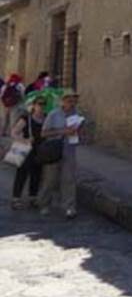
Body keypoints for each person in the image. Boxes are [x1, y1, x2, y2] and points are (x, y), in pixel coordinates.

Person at [37, 91, 82, 219]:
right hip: (54, 151)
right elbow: (44, 133)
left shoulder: (77, 114)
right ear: (63, 101)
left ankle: (69, 207)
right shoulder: (53, 114)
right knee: (50, 179)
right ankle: (44, 204)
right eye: (69, 101)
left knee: (69, 179)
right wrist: (64, 131)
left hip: (69, 150)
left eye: (74, 101)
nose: (72, 103)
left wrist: (78, 132)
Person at [10, 95, 46, 209]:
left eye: (43, 104)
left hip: (40, 150)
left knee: (37, 173)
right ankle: (16, 199)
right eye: (39, 104)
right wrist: (24, 140)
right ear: (34, 105)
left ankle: (33, 197)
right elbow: (14, 132)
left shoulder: (46, 118)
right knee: (22, 173)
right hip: (27, 149)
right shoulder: (26, 118)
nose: (41, 106)